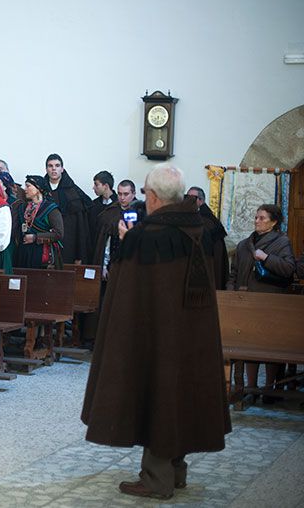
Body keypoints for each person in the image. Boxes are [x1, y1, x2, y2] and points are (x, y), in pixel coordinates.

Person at [81, 164, 231, 500]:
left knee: (159, 393)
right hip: (193, 333)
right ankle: (175, 471)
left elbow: (130, 291)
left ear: (153, 198)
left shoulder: (148, 237)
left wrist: (126, 242)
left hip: (158, 333)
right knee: (179, 395)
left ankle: (156, 479)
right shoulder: (202, 229)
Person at [226, 204, 295, 402]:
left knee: (270, 347)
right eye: (256, 217)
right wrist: (232, 293)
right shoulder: (244, 244)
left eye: (262, 218)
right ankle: (251, 387)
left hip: (269, 304)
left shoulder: (282, 242)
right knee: (249, 347)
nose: (257, 221)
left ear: (274, 222)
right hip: (245, 303)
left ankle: (269, 389)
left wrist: (266, 258)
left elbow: (289, 269)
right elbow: (234, 273)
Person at [92, 180, 145, 279]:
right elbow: (105, 243)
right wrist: (103, 266)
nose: (122, 198)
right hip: (113, 263)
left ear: (133, 194)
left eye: (126, 194)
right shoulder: (109, 212)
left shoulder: (141, 213)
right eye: (119, 194)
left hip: (133, 262)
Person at [44, 154, 92, 264]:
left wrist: (79, 254)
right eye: (50, 166)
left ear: (62, 169)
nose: (54, 169)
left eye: (57, 165)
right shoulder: (41, 190)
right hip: (44, 243)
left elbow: (80, 226)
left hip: (68, 243)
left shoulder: (73, 192)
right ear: (46, 169)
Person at [12, 175, 64, 269]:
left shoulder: (51, 209)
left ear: (38, 188)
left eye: (28, 186)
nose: (25, 189)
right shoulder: (23, 208)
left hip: (42, 254)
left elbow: (59, 234)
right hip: (24, 253)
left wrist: (35, 237)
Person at [187, 186, 229, 289]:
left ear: (200, 201)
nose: (187, 201)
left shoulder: (205, 221)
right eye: (186, 198)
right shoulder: (198, 218)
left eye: (191, 198)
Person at [88, 171, 115, 262]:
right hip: (95, 250)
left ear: (106, 186)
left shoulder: (118, 204)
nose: (93, 187)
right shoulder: (94, 205)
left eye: (96, 185)